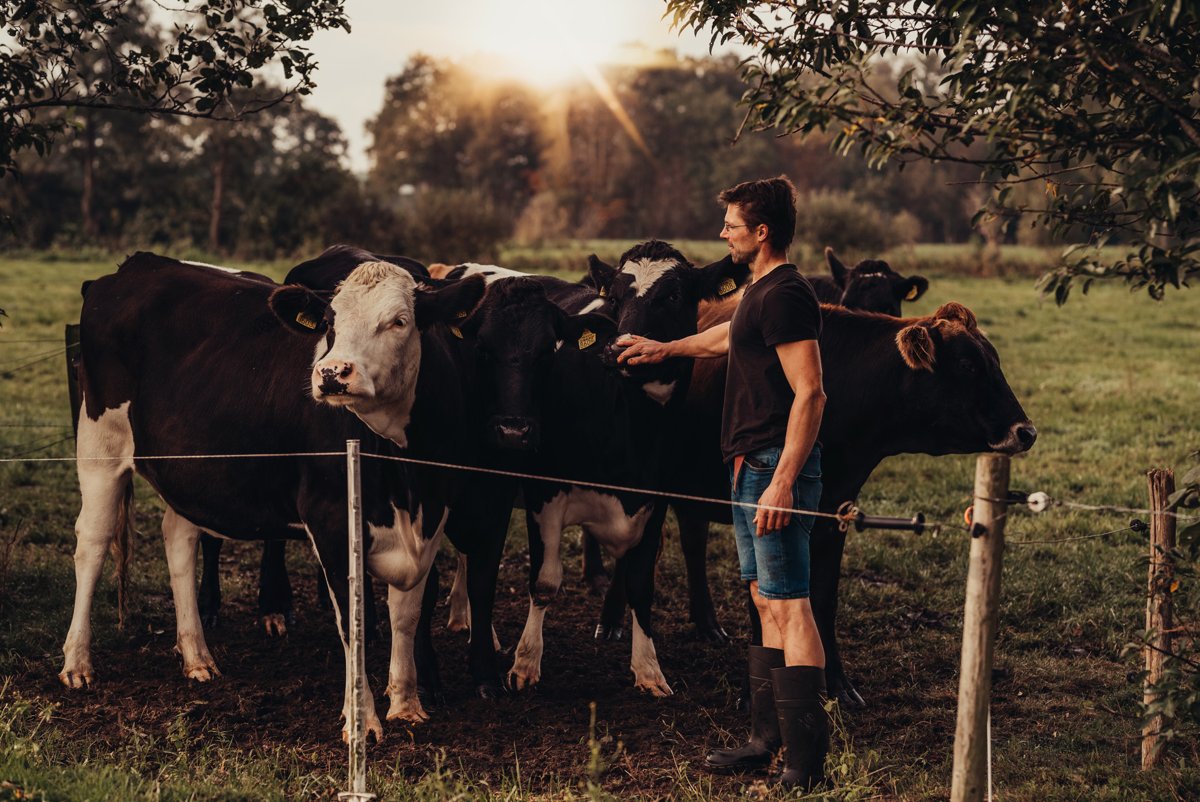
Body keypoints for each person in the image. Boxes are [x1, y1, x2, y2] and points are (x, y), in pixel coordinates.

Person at [616, 176, 829, 790]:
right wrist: (668, 348)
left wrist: (784, 480)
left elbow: (811, 393)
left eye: (732, 225)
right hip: (747, 463)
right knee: (764, 599)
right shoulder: (760, 291)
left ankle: (805, 764)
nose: (723, 234)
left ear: (762, 233)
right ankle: (766, 740)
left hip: (772, 466)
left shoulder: (787, 294)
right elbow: (728, 335)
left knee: (790, 602)